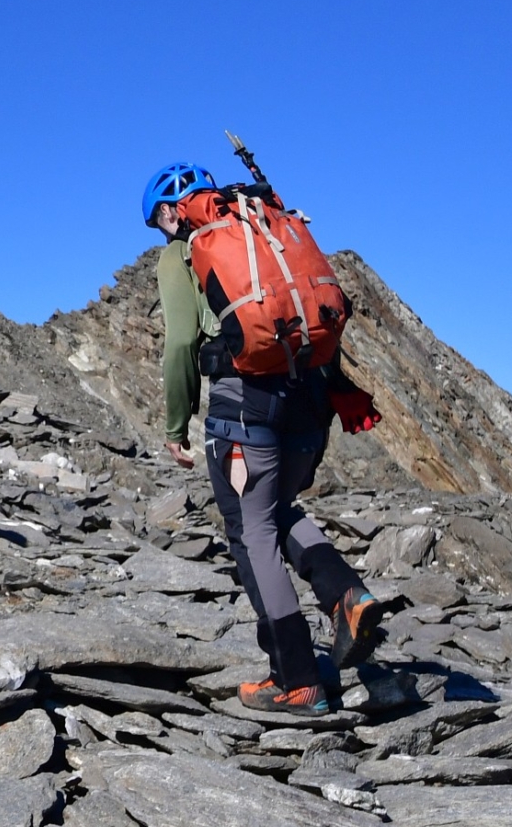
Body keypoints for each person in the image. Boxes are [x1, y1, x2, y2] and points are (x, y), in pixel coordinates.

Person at [145, 160, 395, 716]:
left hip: (244, 406)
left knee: (251, 530)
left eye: (156, 222)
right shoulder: (267, 226)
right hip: (309, 400)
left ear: (169, 211)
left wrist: (175, 426)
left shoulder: (182, 250)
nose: (161, 232)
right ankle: (345, 595)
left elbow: (183, 342)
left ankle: (297, 680)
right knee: (278, 507)